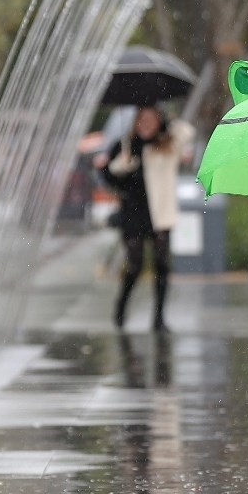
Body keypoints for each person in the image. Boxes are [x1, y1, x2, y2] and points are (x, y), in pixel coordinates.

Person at [94, 106, 193, 331]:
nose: (146, 124)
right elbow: (111, 180)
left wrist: (167, 121)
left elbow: (187, 132)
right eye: (142, 119)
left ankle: (158, 317)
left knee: (161, 264)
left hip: (160, 214)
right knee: (135, 265)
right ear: (135, 122)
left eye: (151, 119)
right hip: (133, 215)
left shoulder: (167, 144)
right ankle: (121, 307)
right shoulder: (124, 145)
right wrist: (116, 167)